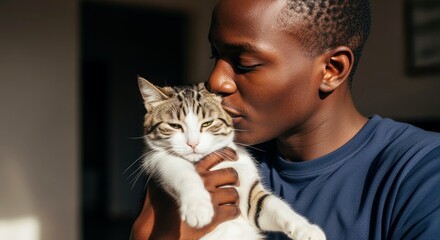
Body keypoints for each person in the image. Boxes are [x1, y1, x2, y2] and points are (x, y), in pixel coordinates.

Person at [131, 0, 440, 239]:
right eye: (215, 55)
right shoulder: (206, 160)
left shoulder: (422, 174)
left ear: (331, 69)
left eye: (245, 62)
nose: (215, 81)